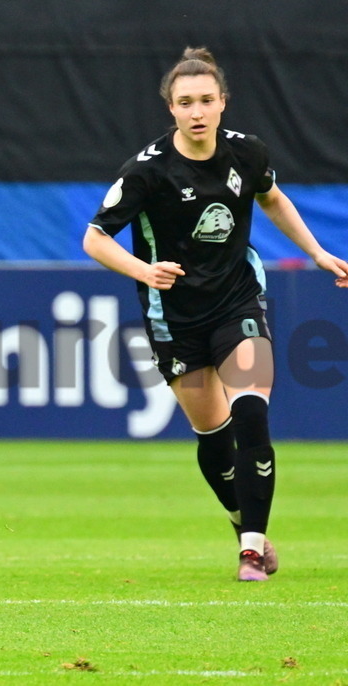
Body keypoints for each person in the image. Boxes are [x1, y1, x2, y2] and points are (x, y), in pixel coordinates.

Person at [83, 47, 348, 582]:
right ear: (172, 110)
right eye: (186, 103)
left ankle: (251, 550)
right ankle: (240, 518)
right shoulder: (146, 171)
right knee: (213, 438)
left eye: (207, 100)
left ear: (223, 103)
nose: (198, 111)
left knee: (252, 411)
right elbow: (94, 238)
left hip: (237, 300)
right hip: (174, 319)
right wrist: (142, 271)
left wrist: (317, 252)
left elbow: (272, 199)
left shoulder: (247, 154)